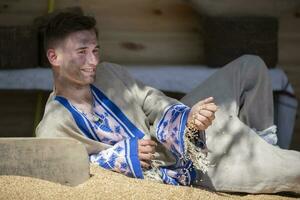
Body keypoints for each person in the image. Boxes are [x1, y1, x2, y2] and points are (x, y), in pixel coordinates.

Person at [36, 11, 300, 194]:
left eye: (95, 50)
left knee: (250, 66)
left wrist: (190, 118)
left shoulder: (109, 73)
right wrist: (119, 156)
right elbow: (62, 173)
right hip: (184, 168)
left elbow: (152, 100)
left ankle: (262, 151)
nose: (93, 61)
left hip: (178, 131)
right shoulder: (54, 125)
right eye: (82, 52)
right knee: (294, 169)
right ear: (54, 57)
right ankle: (260, 163)